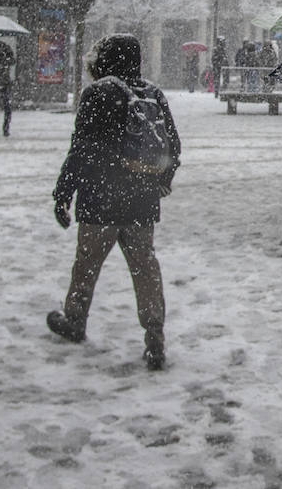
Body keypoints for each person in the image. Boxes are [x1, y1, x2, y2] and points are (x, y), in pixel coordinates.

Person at [48, 33, 181, 371]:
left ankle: (75, 321)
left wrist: (64, 192)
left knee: (87, 264)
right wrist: (160, 182)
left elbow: (81, 149)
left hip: (101, 200)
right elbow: (174, 147)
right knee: (145, 267)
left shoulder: (98, 93)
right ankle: (155, 338)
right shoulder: (151, 93)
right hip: (141, 202)